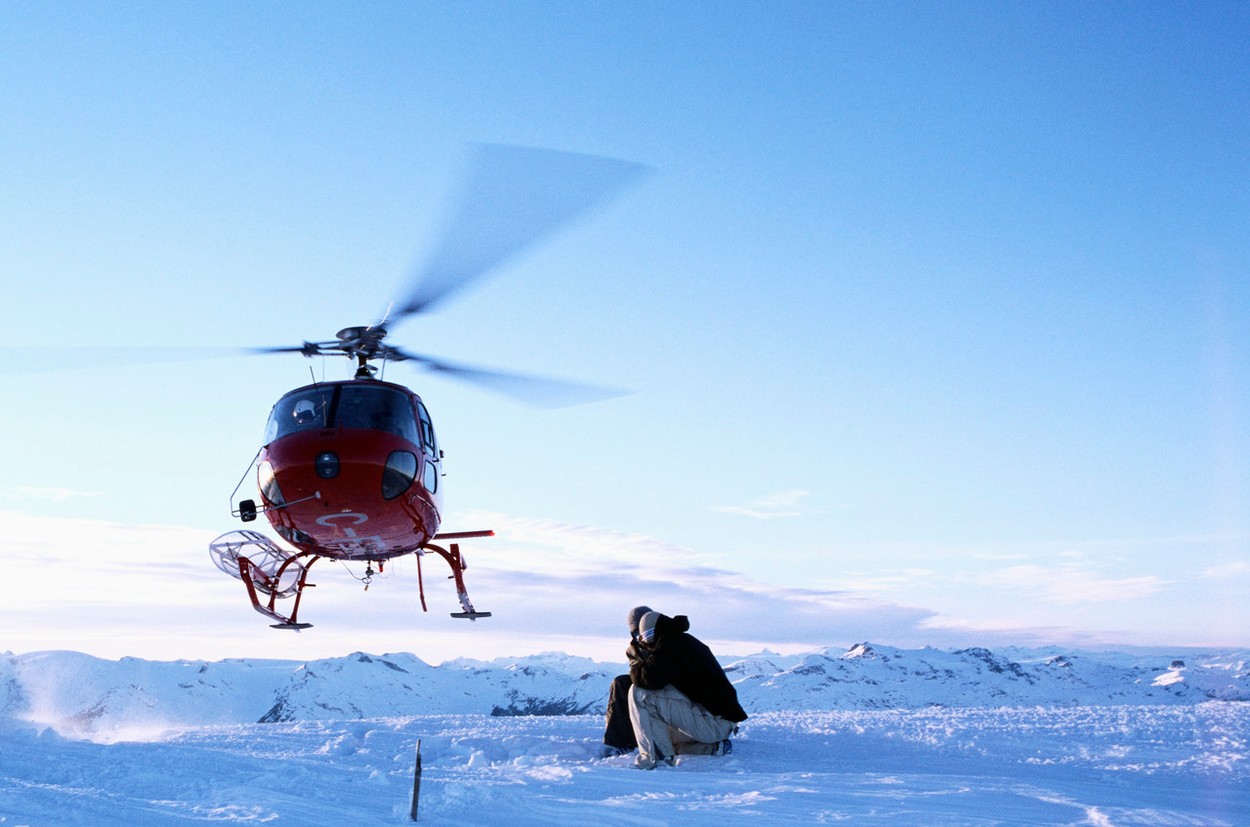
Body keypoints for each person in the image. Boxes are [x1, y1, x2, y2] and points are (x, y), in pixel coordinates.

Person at [627, 610, 748, 769]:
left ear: (654, 631)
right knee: (659, 735)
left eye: (645, 636)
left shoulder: (670, 644)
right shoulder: (681, 641)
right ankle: (711, 748)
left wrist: (635, 666)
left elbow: (648, 679)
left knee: (640, 693)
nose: (644, 642)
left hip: (713, 723)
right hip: (719, 723)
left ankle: (655, 760)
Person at [601, 605, 652, 756]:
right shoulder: (634, 651)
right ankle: (618, 741)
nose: (641, 636)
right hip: (649, 686)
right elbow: (638, 675)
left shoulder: (666, 643)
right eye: (636, 633)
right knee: (621, 684)